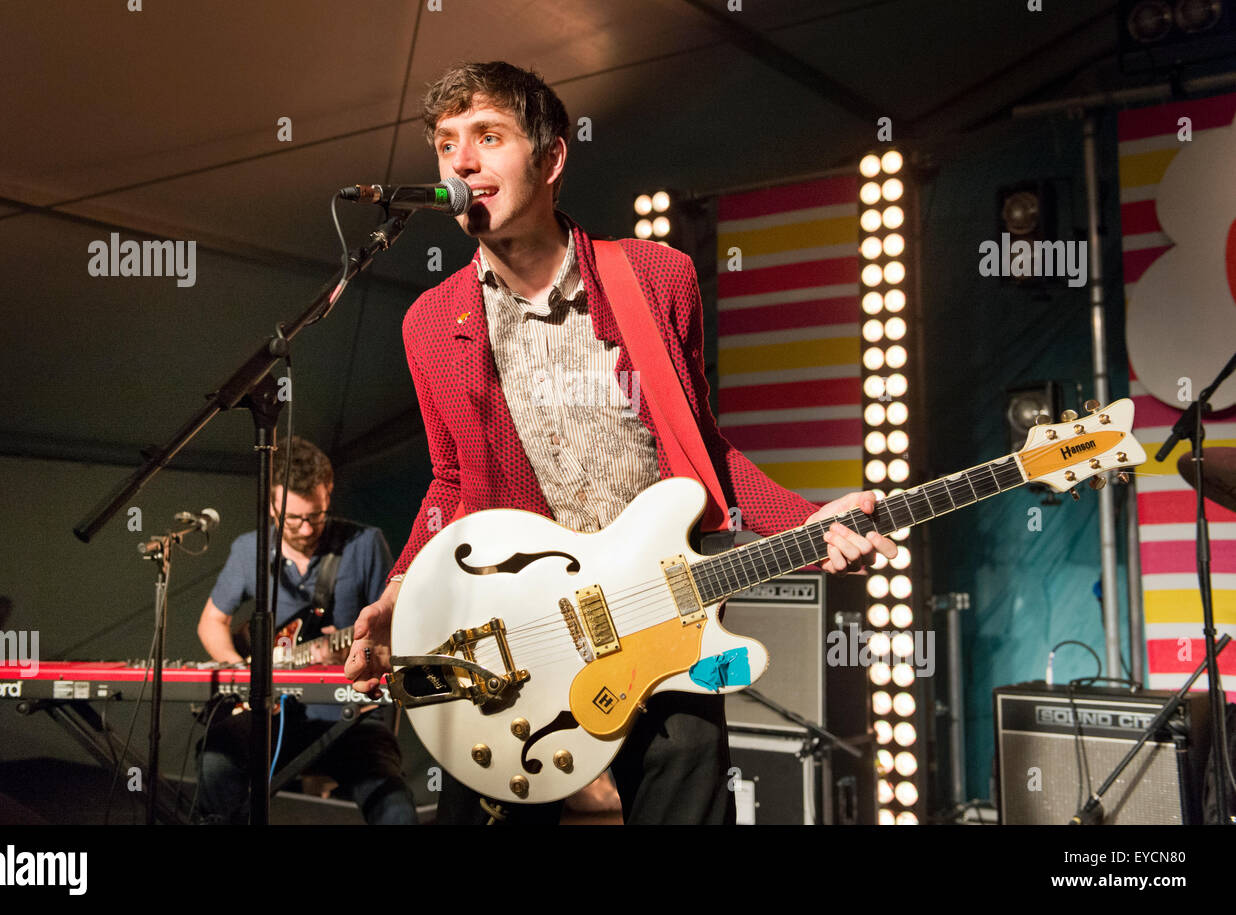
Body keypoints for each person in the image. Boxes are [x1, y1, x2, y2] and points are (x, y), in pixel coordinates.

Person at [345, 61, 896, 824]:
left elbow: (699, 448)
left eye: (488, 136)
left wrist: (806, 518)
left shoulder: (655, 276)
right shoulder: (432, 322)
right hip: (516, 634)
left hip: (659, 619)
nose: (461, 162)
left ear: (552, 157)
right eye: (446, 144)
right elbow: (449, 480)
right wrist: (402, 586)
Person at [196, 436, 415, 825]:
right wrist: (245, 673)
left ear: (327, 495)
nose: (306, 527)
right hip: (271, 713)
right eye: (293, 517)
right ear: (271, 506)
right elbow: (211, 622)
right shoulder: (250, 549)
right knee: (214, 764)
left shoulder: (365, 543)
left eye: (316, 514)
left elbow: (396, 626)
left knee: (393, 803)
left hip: (347, 714)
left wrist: (357, 650)